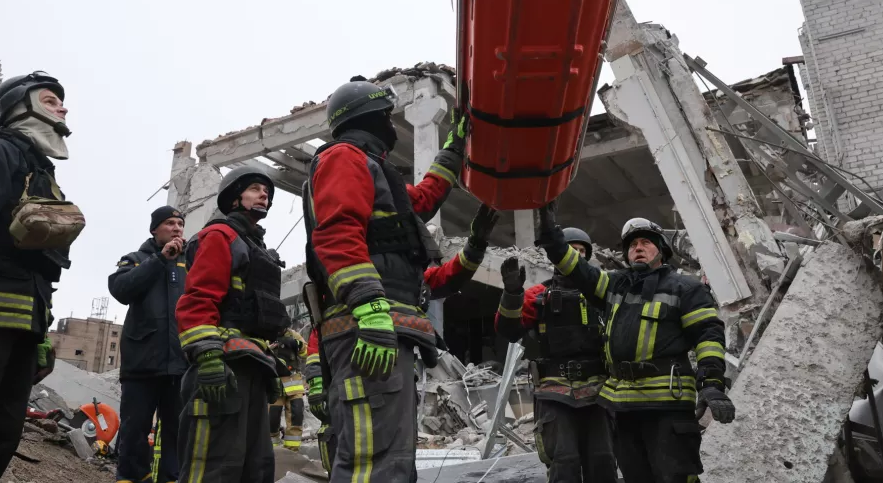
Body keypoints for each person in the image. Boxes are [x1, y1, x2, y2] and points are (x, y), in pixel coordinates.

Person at [302, 78, 471, 482]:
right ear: (373, 117)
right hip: (366, 328)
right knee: (370, 462)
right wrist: (370, 305)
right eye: (387, 116)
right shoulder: (344, 158)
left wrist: (455, 146)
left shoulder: (375, 171)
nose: (393, 125)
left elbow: (424, 199)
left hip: (383, 330)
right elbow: (338, 235)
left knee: (390, 462)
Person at [535, 208, 736, 483]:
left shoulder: (685, 289)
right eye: (632, 245)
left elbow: (708, 335)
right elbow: (576, 269)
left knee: (675, 477)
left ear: (662, 251)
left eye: (645, 243)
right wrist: (551, 236)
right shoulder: (615, 285)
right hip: (624, 407)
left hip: (667, 405)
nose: (637, 248)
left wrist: (711, 383)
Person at [304, 204, 500, 478]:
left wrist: (476, 244)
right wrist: (315, 381)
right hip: (356, 370)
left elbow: (447, 277)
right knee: (361, 458)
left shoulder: (402, 281)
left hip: (393, 374)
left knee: (395, 458)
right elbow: (319, 332)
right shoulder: (355, 277)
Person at [0, 72, 83, 482]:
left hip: (26, 327)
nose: (62, 108)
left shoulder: (42, 174)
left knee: (1, 435)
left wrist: (42, 334)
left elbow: (43, 263)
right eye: (50, 100)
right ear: (18, 107)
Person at [175, 166, 290, 483]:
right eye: (255, 188)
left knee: (255, 468)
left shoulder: (256, 247)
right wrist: (208, 356)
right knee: (214, 465)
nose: (264, 193)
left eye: (267, 190)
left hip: (250, 367)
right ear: (234, 197)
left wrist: (268, 364)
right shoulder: (220, 236)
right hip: (221, 367)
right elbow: (198, 299)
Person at [495, 227, 617, 482]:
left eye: (581, 252)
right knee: (565, 462)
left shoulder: (604, 294)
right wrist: (511, 295)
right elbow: (508, 331)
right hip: (554, 392)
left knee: (603, 460)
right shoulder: (538, 295)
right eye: (571, 249)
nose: (575, 255)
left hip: (599, 393)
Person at [108, 206, 189, 483]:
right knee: (135, 430)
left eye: (180, 223)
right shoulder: (135, 259)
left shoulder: (193, 262)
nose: (177, 228)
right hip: (142, 363)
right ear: (154, 229)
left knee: (177, 432)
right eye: (169, 223)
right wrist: (160, 260)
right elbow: (121, 290)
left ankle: (171, 478)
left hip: (181, 364)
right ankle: (131, 477)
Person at [268, 327, 308, 450]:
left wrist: (296, 344)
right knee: (272, 419)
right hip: (273, 382)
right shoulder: (265, 333)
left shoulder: (293, 334)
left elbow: (306, 352)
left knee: (296, 416)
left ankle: (292, 451)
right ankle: (273, 450)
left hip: (293, 380)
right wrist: (270, 348)